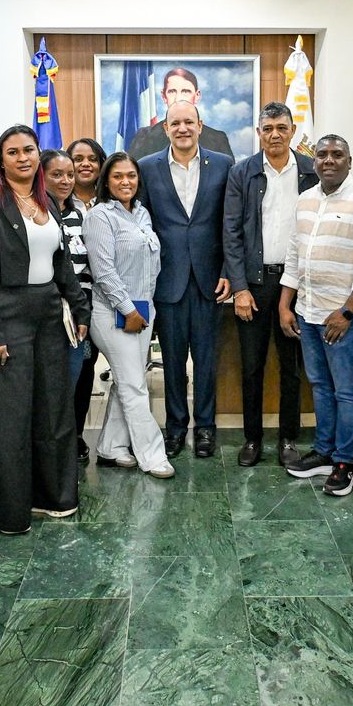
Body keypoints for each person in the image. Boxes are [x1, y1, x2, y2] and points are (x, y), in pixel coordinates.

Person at [0, 125, 91, 533]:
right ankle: (4, 511)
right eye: (13, 151)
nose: (22, 157)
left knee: (53, 409)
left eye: (29, 150)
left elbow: (61, 262)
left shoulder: (46, 199)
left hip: (48, 314)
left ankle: (51, 497)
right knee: (7, 415)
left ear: (38, 155)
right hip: (5, 315)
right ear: (1, 160)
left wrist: (80, 309)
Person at [280, 134, 353, 497]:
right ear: (314, 161)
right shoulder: (305, 200)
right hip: (308, 311)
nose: (328, 160)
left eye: (337, 154)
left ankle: (346, 461)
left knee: (346, 390)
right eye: (322, 154)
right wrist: (285, 304)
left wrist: (347, 311)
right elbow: (294, 256)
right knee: (320, 385)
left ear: (349, 161)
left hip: (344, 316)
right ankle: (325, 451)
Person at [136, 101, 234, 459]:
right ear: (166, 128)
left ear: (200, 125)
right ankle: (176, 427)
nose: (182, 128)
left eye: (189, 122)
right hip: (167, 280)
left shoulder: (223, 165)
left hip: (210, 281)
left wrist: (228, 272)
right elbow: (141, 224)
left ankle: (206, 428)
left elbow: (230, 223)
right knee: (173, 362)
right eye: (175, 122)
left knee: (206, 362)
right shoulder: (147, 167)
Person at [223, 102, 318, 467]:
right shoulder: (242, 172)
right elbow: (231, 232)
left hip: (296, 285)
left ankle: (288, 438)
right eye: (268, 128)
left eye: (281, 127)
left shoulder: (310, 171)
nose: (275, 135)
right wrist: (240, 288)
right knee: (251, 365)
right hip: (255, 283)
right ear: (258, 133)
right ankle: (252, 438)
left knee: (291, 367)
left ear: (292, 131)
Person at [85, 152, 172, 477]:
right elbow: (103, 271)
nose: (126, 182)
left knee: (127, 380)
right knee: (135, 385)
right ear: (106, 181)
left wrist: (143, 309)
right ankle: (153, 456)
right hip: (112, 313)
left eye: (131, 175)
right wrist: (128, 309)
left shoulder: (141, 213)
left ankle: (111, 446)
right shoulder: (100, 217)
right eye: (118, 176)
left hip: (143, 309)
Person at [44, 148, 95, 462]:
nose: (65, 181)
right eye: (57, 175)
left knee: (78, 376)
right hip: (49, 309)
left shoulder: (79, 214)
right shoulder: (36, 214)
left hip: (79, 310)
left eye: (70, 175)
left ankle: (71, 437)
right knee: (51, 384)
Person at [67, 137, 106, 456]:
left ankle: (77, 433)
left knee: (88, 366)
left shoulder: (110, 201)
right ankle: (63, 435)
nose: (85, 164)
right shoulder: (55, 202)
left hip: (105, 298)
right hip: (70, 300)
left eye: (92, 158)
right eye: (77, 158)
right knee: (71, 367)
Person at [126, 66, 235, 159]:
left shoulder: (217, 139)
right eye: (172, 91)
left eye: (185, 91)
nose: (178, 98)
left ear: (197, 96)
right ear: (164, 96)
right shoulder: (144, 138)